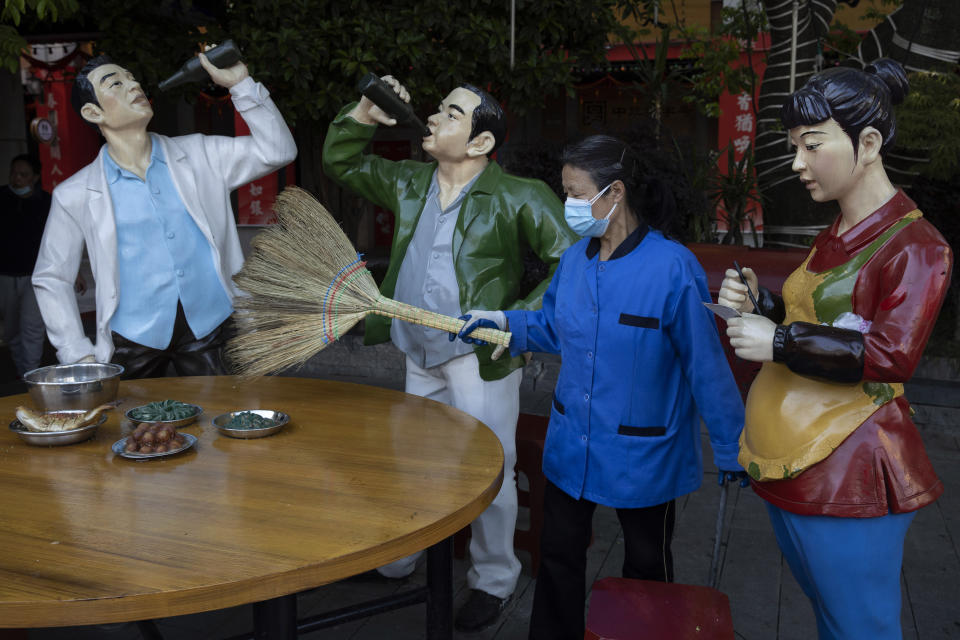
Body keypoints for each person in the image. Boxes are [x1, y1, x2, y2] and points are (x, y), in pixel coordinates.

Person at [455, 134, 746, 640]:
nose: (568, 204)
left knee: (646, 567)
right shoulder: (574, 261)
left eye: (575, 192)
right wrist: (502, 321)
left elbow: (706, 365)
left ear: (615, 193)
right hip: (574, 442)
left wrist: (732, 446)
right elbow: (552, 326)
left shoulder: (672, 267)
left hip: (644, 448)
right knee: (559, 555)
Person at [322, 75, 577, 631]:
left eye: (451, 114)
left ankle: (493, 579)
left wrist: (519, 323)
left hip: (477, 357)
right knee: (416, 457)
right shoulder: (411, 182)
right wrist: (363, 114)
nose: (434, 118)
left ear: (482, 142)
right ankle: (401, 557)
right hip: (419, 347)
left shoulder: (519, 195)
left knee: (491, 466)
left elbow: (571, 264)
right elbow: (342, 164)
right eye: (437, 110)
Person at [719, 59, 952, 639]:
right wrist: (763, 305)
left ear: (867, 143)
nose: (798, 163)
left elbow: (889, 354)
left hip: (850, 472)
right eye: (795, 146)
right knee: (830, 617)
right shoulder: (837, 233)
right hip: (793, 465)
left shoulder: (918, 247)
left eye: (812, 145)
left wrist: (776, 340)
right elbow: (813, 314)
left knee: (859, 626)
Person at [32, 52, 296, 378]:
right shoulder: (75, 194)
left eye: (132, 78)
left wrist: (241, 84)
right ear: (92, 112)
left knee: (223, 416)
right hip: (131, 336)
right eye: (116, 83)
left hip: (211, 326)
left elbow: (278, 151)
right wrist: (76, 351)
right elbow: (52, 277)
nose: (133, 86)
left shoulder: (200, 154)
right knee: (133, 425)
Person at [0, 154, 51, 375]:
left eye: (23, 174)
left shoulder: (46, 202)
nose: (17, 179)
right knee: (11, 330)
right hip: (5, 274)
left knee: (32, 327)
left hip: (36, 274)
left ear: (35, 177)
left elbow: (57, 239)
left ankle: (31, 374)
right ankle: (23, 370)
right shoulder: (1, 197)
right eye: (14, 173)